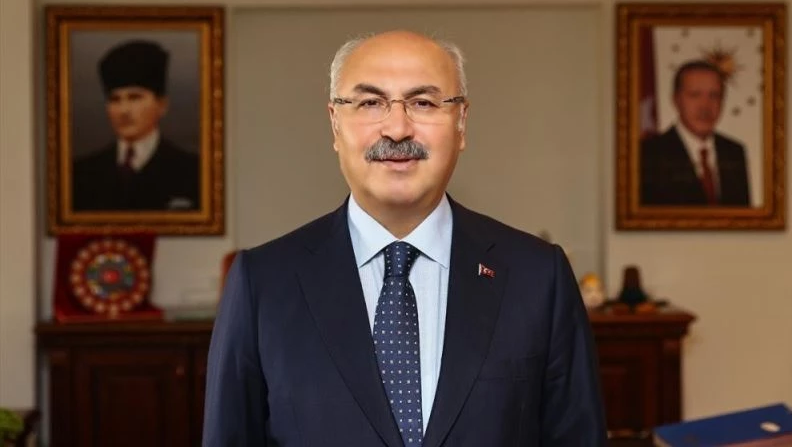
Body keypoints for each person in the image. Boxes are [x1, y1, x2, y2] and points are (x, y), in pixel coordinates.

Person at [203, 30, 607, 446]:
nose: (397, 129)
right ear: (335, 124)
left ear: (461, 123)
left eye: (423, 103)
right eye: (370, 103)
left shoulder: (537, 276)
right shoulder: (262, 284)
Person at [72, 39, 200, 211]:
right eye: (115, 99)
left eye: (135, 97)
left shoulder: (194, 172)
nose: (123, 110)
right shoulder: (80, 174)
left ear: (162, 105)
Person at [640, 59, 750, 206]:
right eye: (695, 95)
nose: (705, 106)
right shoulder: (649, 154)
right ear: (676, 100)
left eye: (714, 95)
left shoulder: (734, 152)